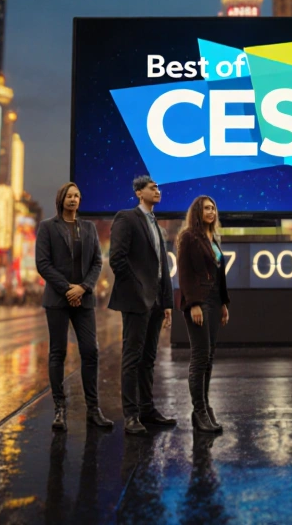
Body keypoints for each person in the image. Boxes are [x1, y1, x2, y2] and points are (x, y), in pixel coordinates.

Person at [37, 182, 112, 432]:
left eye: (77, 195)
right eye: (69, 195)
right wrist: (68, 288)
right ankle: (60, 409)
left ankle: (93, 409)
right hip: (58, 300)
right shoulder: (47, 227)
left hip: (84, 299)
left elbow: (97, 263)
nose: (73, 199)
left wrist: (83, 287)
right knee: (57, 353)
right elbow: (43, 264)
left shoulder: (88, 228)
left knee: (90, 350)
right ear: (61, 199)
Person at [108, 176, 175, 436]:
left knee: (149, 358)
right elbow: (117, 260)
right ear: (139, 192)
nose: (157, 191)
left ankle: (147, 409)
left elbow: (162, 266)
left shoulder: (157, 225)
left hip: (157, 301)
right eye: (152, 188)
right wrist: (139, 291)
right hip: (137, 300)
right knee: (132, 358)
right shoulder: (127, 218)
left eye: (158, 187)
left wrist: (166, 302)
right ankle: (131, 415)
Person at [175, 195, 231, 435]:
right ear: (198, 212)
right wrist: (193, 304)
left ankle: (205, 407)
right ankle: (199, 412)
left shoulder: (214, 238)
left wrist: (224, 304)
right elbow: (185, 273)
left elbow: (219, 275)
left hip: (215, 301)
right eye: (207, 208)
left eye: (213, 207)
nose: (211, 211)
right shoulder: (188, 237)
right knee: (199, 358)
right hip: (199, 302)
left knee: (208, 358)